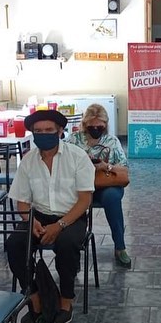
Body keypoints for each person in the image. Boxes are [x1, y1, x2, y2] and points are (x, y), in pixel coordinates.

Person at [5, 109, 94, 323]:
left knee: (67, 244)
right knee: (15, 244)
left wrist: (60, 225)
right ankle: (35, 301)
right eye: (38, 131)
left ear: (60, 131)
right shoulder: (28, 161)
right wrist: (30, 221)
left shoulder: (77, 157)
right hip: (38, 216)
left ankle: (66, 301)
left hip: (71, 216)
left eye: (48, 130)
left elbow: (85, 200)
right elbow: (22, 202)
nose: (43, 134)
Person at [66, 103, 132, 268]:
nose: (95, 129)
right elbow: (63, 163)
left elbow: (124, 169)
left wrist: (105, 166)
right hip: (79, 185)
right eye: (91, 126)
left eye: (99, 126)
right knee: (69, 199)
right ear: (85, 124)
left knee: (112, 198)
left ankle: (120, 246)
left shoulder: (112, 141)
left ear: (105, 124)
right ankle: (71, 248)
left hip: (106, 184)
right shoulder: (73, 140)